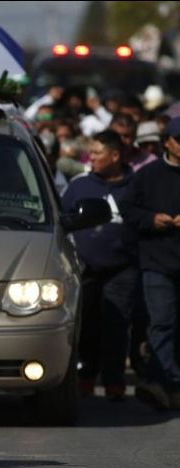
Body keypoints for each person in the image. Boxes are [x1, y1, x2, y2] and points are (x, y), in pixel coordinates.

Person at [62, 130, 138, 401]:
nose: (90, 158)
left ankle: (114, 380)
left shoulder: (135, 185)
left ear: (115, 155)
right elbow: (63, 219)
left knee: (116, 324)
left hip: (123, 267)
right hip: (86, 268)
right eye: (89, 152)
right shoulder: (79, 186)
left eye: (97, 153)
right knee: (89, 323)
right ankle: (86, 375)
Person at [120, 117, 180, 410]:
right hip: (157, 262)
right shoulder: (148, 174)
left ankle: (162, 381)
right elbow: (128, 208)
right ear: (167, 142)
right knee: (163, 322)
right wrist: (152, 219)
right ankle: (166, 380)